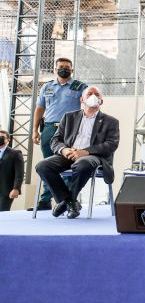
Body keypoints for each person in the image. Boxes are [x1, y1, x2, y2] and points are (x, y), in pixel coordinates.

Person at [34, 86, 119, 219]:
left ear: (101, 101)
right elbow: (55, 140)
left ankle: (66, 202)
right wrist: (64, 150)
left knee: (83, 164)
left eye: (97, 94)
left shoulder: (111, 121)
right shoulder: (69, 117)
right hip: (69, 153)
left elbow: (111, 144)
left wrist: (86, 151)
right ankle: (70, 202)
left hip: (93, 156)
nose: (93, 96)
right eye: (89, 94)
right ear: (82, 99)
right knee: (42, 166)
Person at [31, 57, 87, 211]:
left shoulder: (80, 86)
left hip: (70, 129)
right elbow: (39, 109)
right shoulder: (47, 87)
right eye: (61, 67)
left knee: (69, 163)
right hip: (49, 128)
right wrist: (35, 130)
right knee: (47, 165)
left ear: (72, 69)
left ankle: (68, 201)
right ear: (55, 69)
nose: (64, 69)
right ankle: (45, 201)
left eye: (67, 67)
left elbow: (88, 107)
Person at [0, 130, 24, 211]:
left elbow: (19, 173)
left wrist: (16, 188)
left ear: (8, 140)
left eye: (2, 137)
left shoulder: (15, 153)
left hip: (5, 190)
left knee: (2, 214)